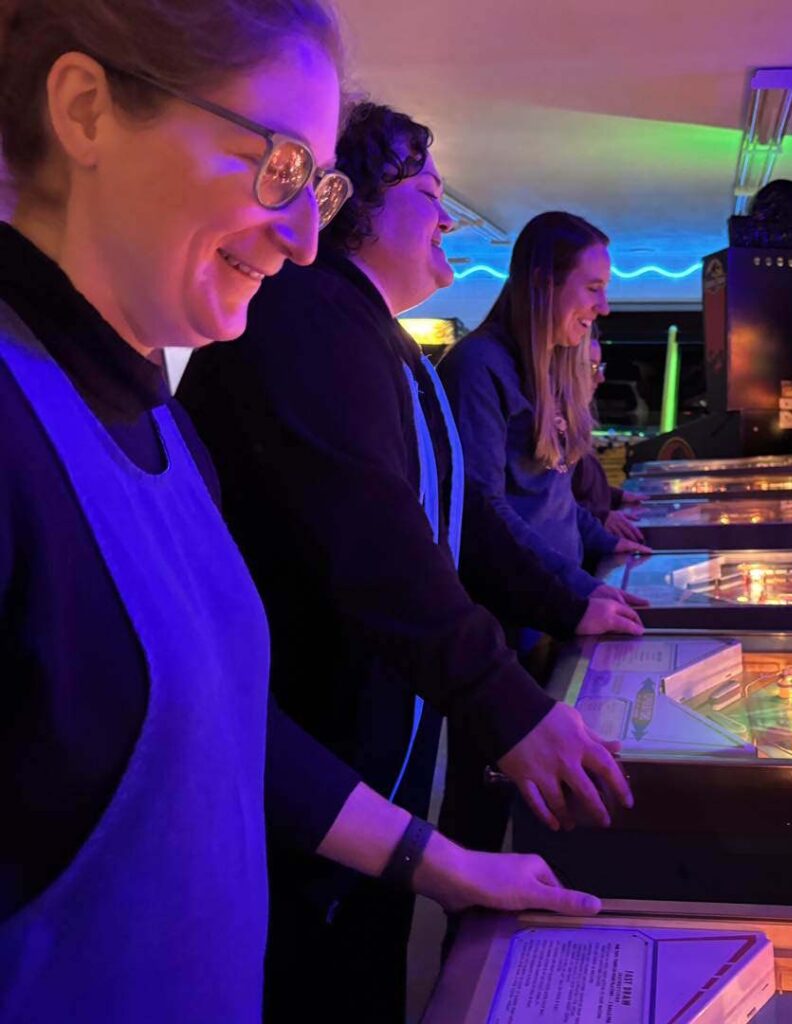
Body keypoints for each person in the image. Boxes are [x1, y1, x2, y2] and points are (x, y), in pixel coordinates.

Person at [0, 6, 599, 1021]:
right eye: (276, 165)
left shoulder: (165, 427)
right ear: (85, 110)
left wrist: (439, 863)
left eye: (318, 184)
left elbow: (229, 729)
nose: (308, 235)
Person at [176, 102, 641, 1021]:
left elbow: (456, 520)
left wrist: (571, 600)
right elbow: (376, 542)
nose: (447, 217)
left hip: (352, 774)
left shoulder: (373, 334)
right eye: (430, 193)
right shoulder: (308, 318)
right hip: (312, 765)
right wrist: (508, 702)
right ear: (353, 209)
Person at [436, 213, 653, 856]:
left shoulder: (544, 369)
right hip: (506, 624)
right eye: (591, 287)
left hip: (552, 619)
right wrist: (575, 594)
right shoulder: (478, 367)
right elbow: (481, 512)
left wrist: (605, 545)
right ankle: (468, 932)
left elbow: (552, 498)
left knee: (535, 810)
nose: (604, 306)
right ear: (543, 284)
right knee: (487, 805)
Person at [572, 332, 647, 543]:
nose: (601, 378)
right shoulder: (553, 423)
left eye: (600, 367)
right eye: (592, 367)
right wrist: (601, 516)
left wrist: (617, 496)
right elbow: (553, 501)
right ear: (566, 368)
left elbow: (580, 484)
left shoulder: (573, 421)